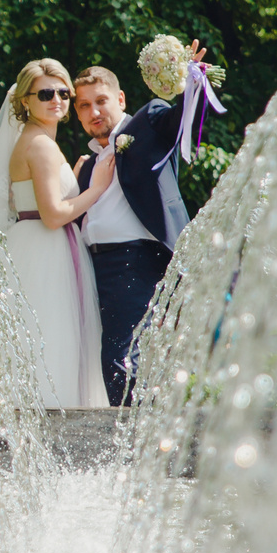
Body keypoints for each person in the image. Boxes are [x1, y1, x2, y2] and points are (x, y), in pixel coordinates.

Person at [70, 39, 223, 402]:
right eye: (84, 106)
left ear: (120, 99)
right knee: (108, 360)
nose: (94, 112)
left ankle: (130, 446)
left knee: (118, 360)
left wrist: (192, 81)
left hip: (135, 262)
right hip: (92, 270)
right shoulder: (85, 166)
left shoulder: (148, 121)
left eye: (101, 101)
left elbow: (178, 119)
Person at [0, 59, 114, 407]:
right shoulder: (40, 145)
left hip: (34, 243)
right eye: (46, 93)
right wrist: (95, 188)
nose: (58, 100)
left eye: (64, 93)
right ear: (25, 101)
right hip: (46, 248)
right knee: (52, 342)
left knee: (37, 342)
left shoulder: (33, 141)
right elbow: (53, 216)